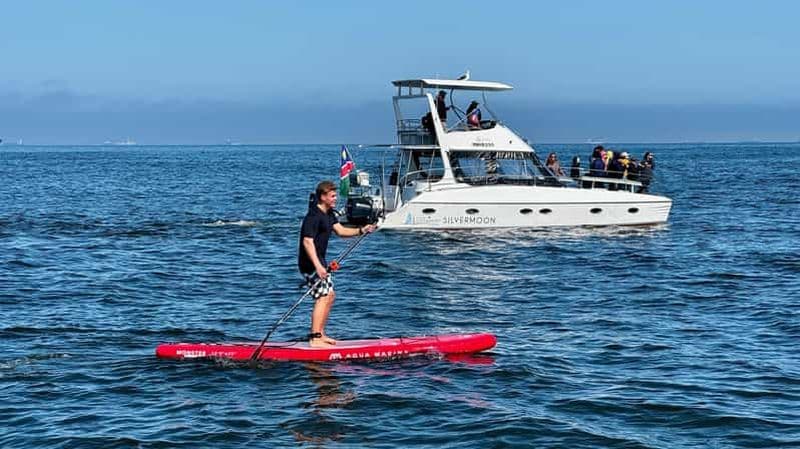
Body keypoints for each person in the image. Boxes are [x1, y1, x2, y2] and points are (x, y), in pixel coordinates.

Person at [298, 180, 376, 347]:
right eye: (332, 196)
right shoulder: (313, 216)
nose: (335, 199)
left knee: (330, 296)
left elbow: (340, 231)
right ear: (322, 197)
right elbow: (307, 242)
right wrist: (318, 267)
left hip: (320, 262)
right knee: (323, 296)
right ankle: (315, 338)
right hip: (310, 264)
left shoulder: (329, 214)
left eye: (335, 196)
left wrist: (361, 230)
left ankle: (320, 334)